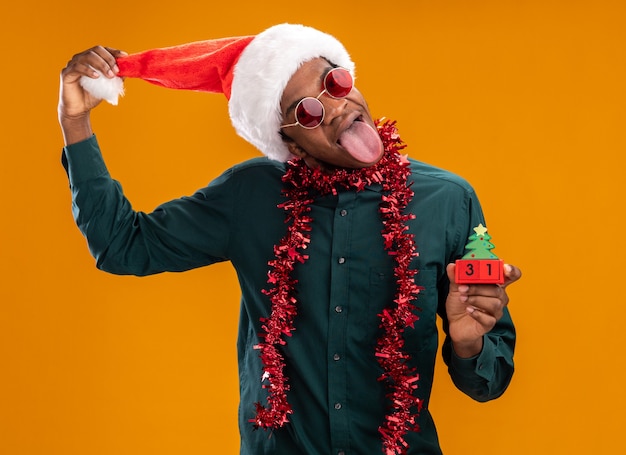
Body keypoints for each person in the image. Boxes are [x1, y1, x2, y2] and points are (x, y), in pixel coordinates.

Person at [58, 23, 521, 455]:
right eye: (309, 110)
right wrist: (75, 121)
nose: (337, 106)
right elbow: (122, 245)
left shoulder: (447, 200)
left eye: (334, 82)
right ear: (291, 143)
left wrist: (469, 345)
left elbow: (490, 380)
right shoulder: (250, 196)